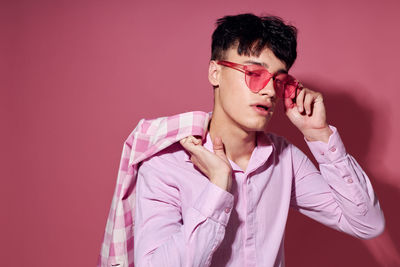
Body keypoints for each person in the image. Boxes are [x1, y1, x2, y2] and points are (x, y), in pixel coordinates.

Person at [133, 13, 385, 266]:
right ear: (215, 72)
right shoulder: (165, 164)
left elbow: (367, 225)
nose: (268, 91)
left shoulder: (284, 158)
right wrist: (218, 187)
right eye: (254, 73)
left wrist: (318, 134)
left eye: (278, 80)